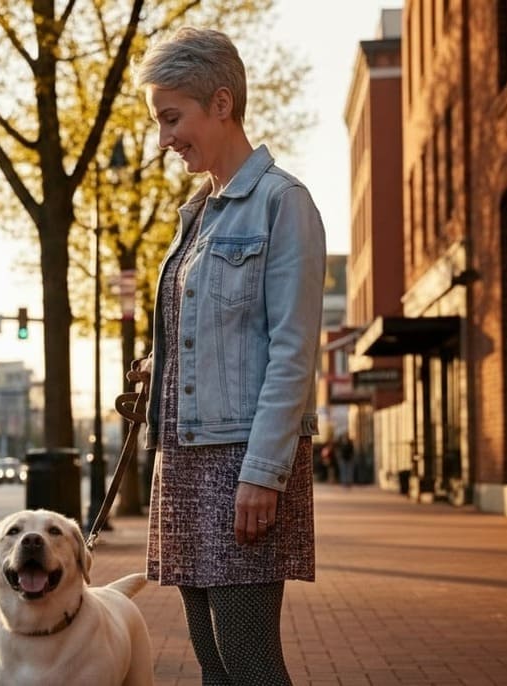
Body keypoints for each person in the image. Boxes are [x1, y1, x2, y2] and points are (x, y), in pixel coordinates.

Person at [127, 27, 326, 685]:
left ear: (220, 103)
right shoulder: (197, 214)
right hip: (185, 460)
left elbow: (293, 350)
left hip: (241, 462)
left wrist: (264, 473)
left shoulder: (281, 203)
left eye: (172, 118)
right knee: (214, 667)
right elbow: (216, 337)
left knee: (249, 661)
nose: (164, 139)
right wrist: (160, 371)